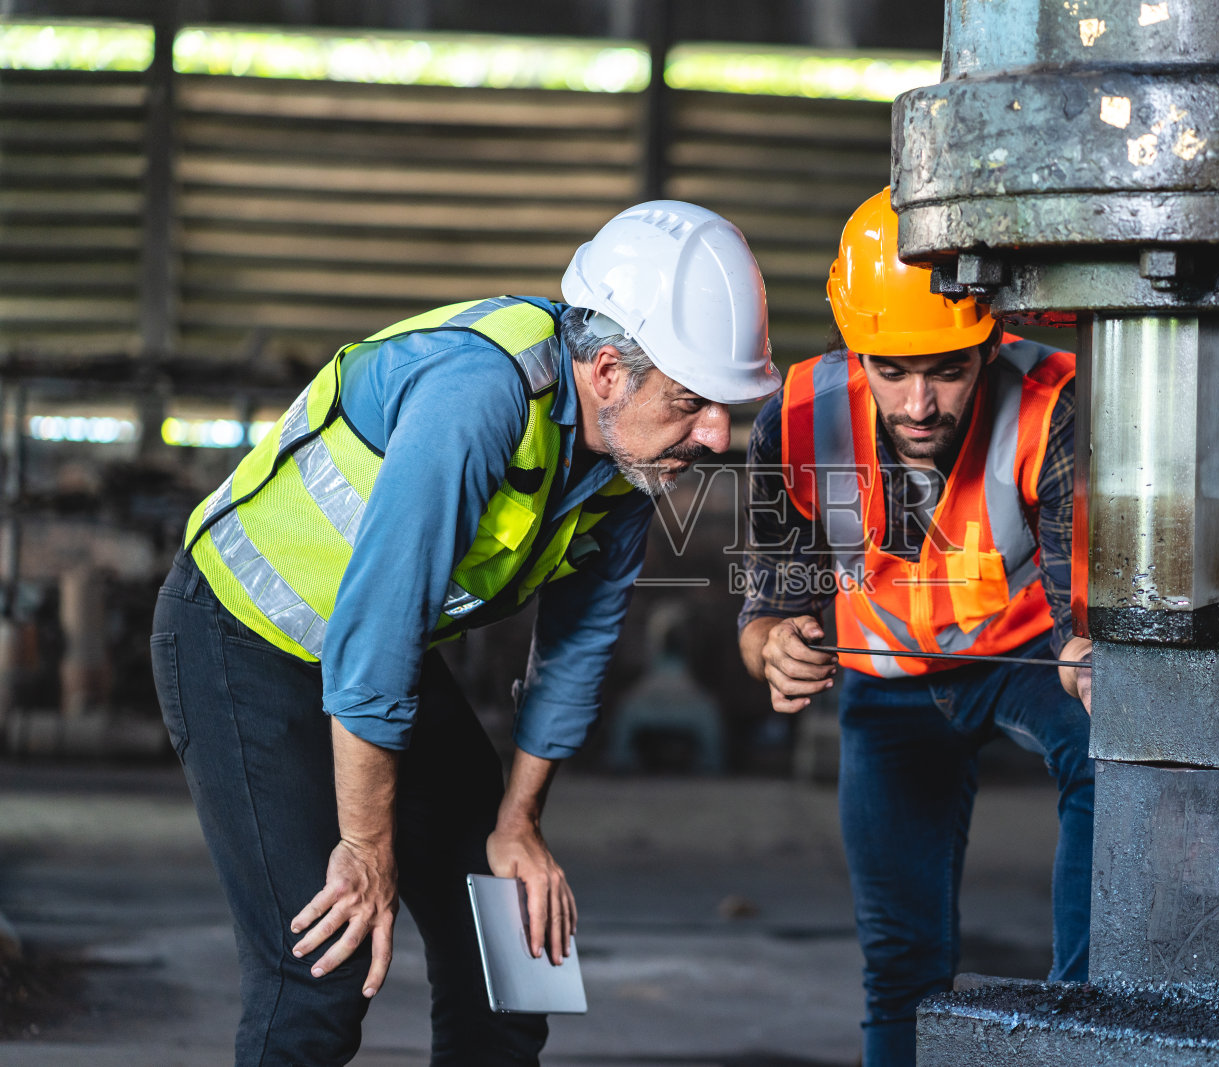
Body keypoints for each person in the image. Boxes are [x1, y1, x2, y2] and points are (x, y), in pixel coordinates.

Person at [151, 200, 779, 1066]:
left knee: (514, 957)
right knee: (323, 969)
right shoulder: (475, 397)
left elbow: (578, 649)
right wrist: (367, 848)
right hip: (238, 641)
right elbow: (377, 638)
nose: (715, 433)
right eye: (692, 402)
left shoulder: (633, 464)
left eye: (723, 406)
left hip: (374, 656)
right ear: (605, 372)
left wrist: (517, 821)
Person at [736, 188, 1094, 1067]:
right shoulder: (796, 415)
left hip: (1021, 661)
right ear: (856, 347)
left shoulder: (1051, 404)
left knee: (1107, 743)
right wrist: (773, 648)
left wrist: (1088, 647)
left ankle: (1089, 1017)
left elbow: (1081, 608)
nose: (921, 403)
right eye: (893, 370)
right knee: (901, 964)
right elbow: (766, 609)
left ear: (990, 342)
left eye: (948, 368)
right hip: (886, 684)